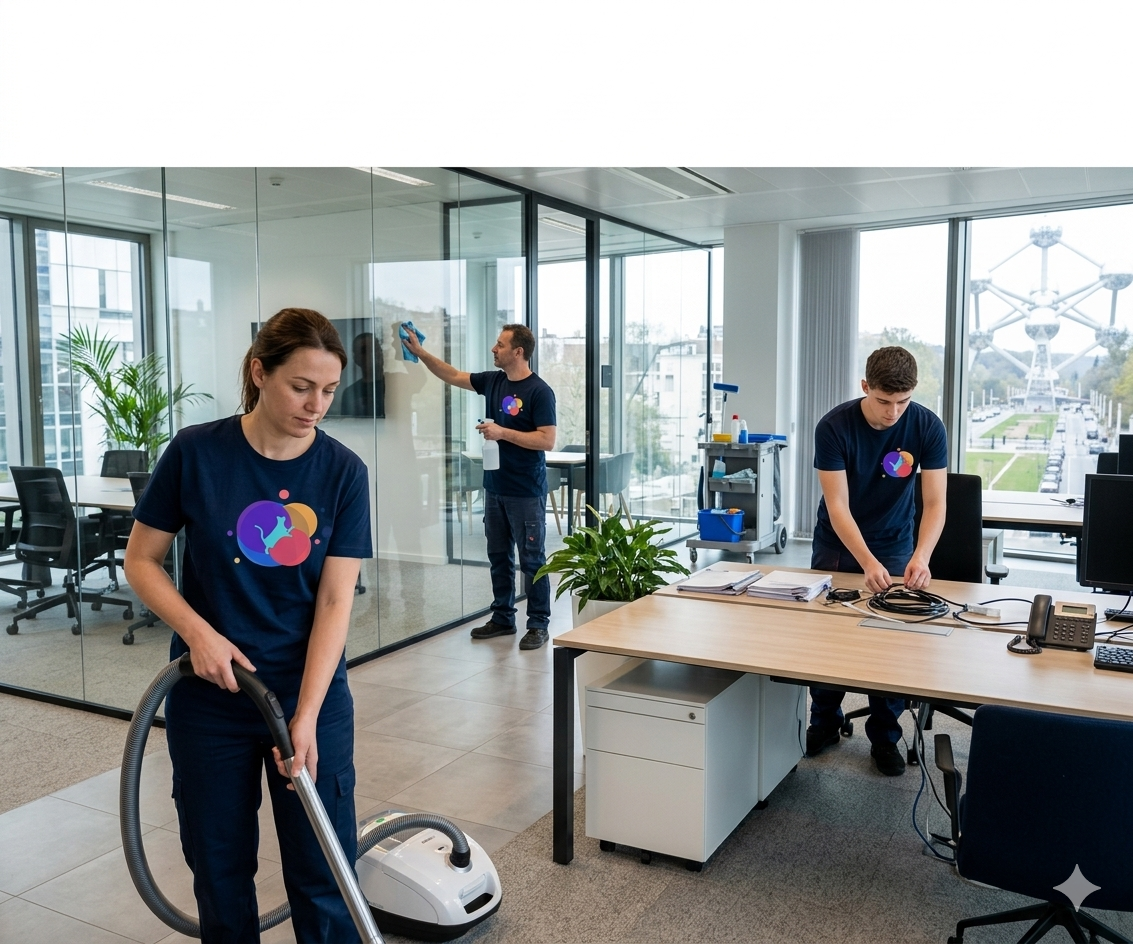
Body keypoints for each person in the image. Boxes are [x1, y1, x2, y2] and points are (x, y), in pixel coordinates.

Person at [124, 308, 372, 943]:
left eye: (328, 390)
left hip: (307, 693)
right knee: (220, 868)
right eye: (300, 386)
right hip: (210, 699)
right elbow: (142, 560)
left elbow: (335, 603)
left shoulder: (344, 473)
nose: (316, 404)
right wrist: (199, 633)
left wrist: (309, 714)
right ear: (259, 373)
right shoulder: (196, 453)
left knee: (324, 871)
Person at [805, 346, 947, 777]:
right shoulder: (834, 427)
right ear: (865, 386)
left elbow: (936, 502)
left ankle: (885, 736)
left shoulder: (926, 426)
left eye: (902, 402)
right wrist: (864, 560)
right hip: (838, 543)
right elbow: (837, 505)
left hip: (895, 542)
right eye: (884, 401)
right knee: (828, 638)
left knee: (891, 644)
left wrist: (921, 555)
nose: (893, 413)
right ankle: (824, 721)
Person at [401, 322, 557, 650]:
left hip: (526, 490)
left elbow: (547, 440)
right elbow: (453, 374)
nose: (493, 349)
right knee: (498, 555)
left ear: (518, 351)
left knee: (532, 559)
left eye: (500, 344)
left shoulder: (539, 392)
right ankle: (502, 617)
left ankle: (538, 623)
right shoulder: (494, 380)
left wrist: (502, 432)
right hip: (495, 487)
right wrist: (420, 352)